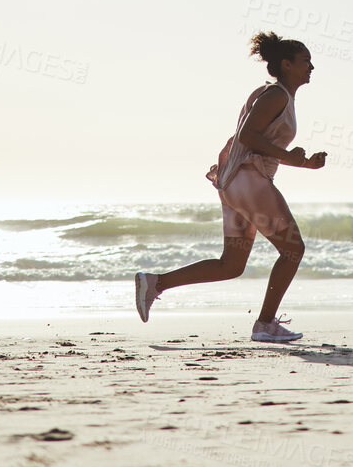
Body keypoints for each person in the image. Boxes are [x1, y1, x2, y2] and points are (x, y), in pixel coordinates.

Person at [134, 32, 327, 342]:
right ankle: (264, 325)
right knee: (293, 249)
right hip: (249, 182)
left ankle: (155, 283)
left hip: (236, 183)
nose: (312, 67)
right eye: (306, 61)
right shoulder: (276, 95)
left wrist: (303, 163)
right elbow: (249, 137)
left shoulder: (276, 96)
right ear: (286, 64)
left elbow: (258, 145)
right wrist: (289, 156)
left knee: (231, 264)